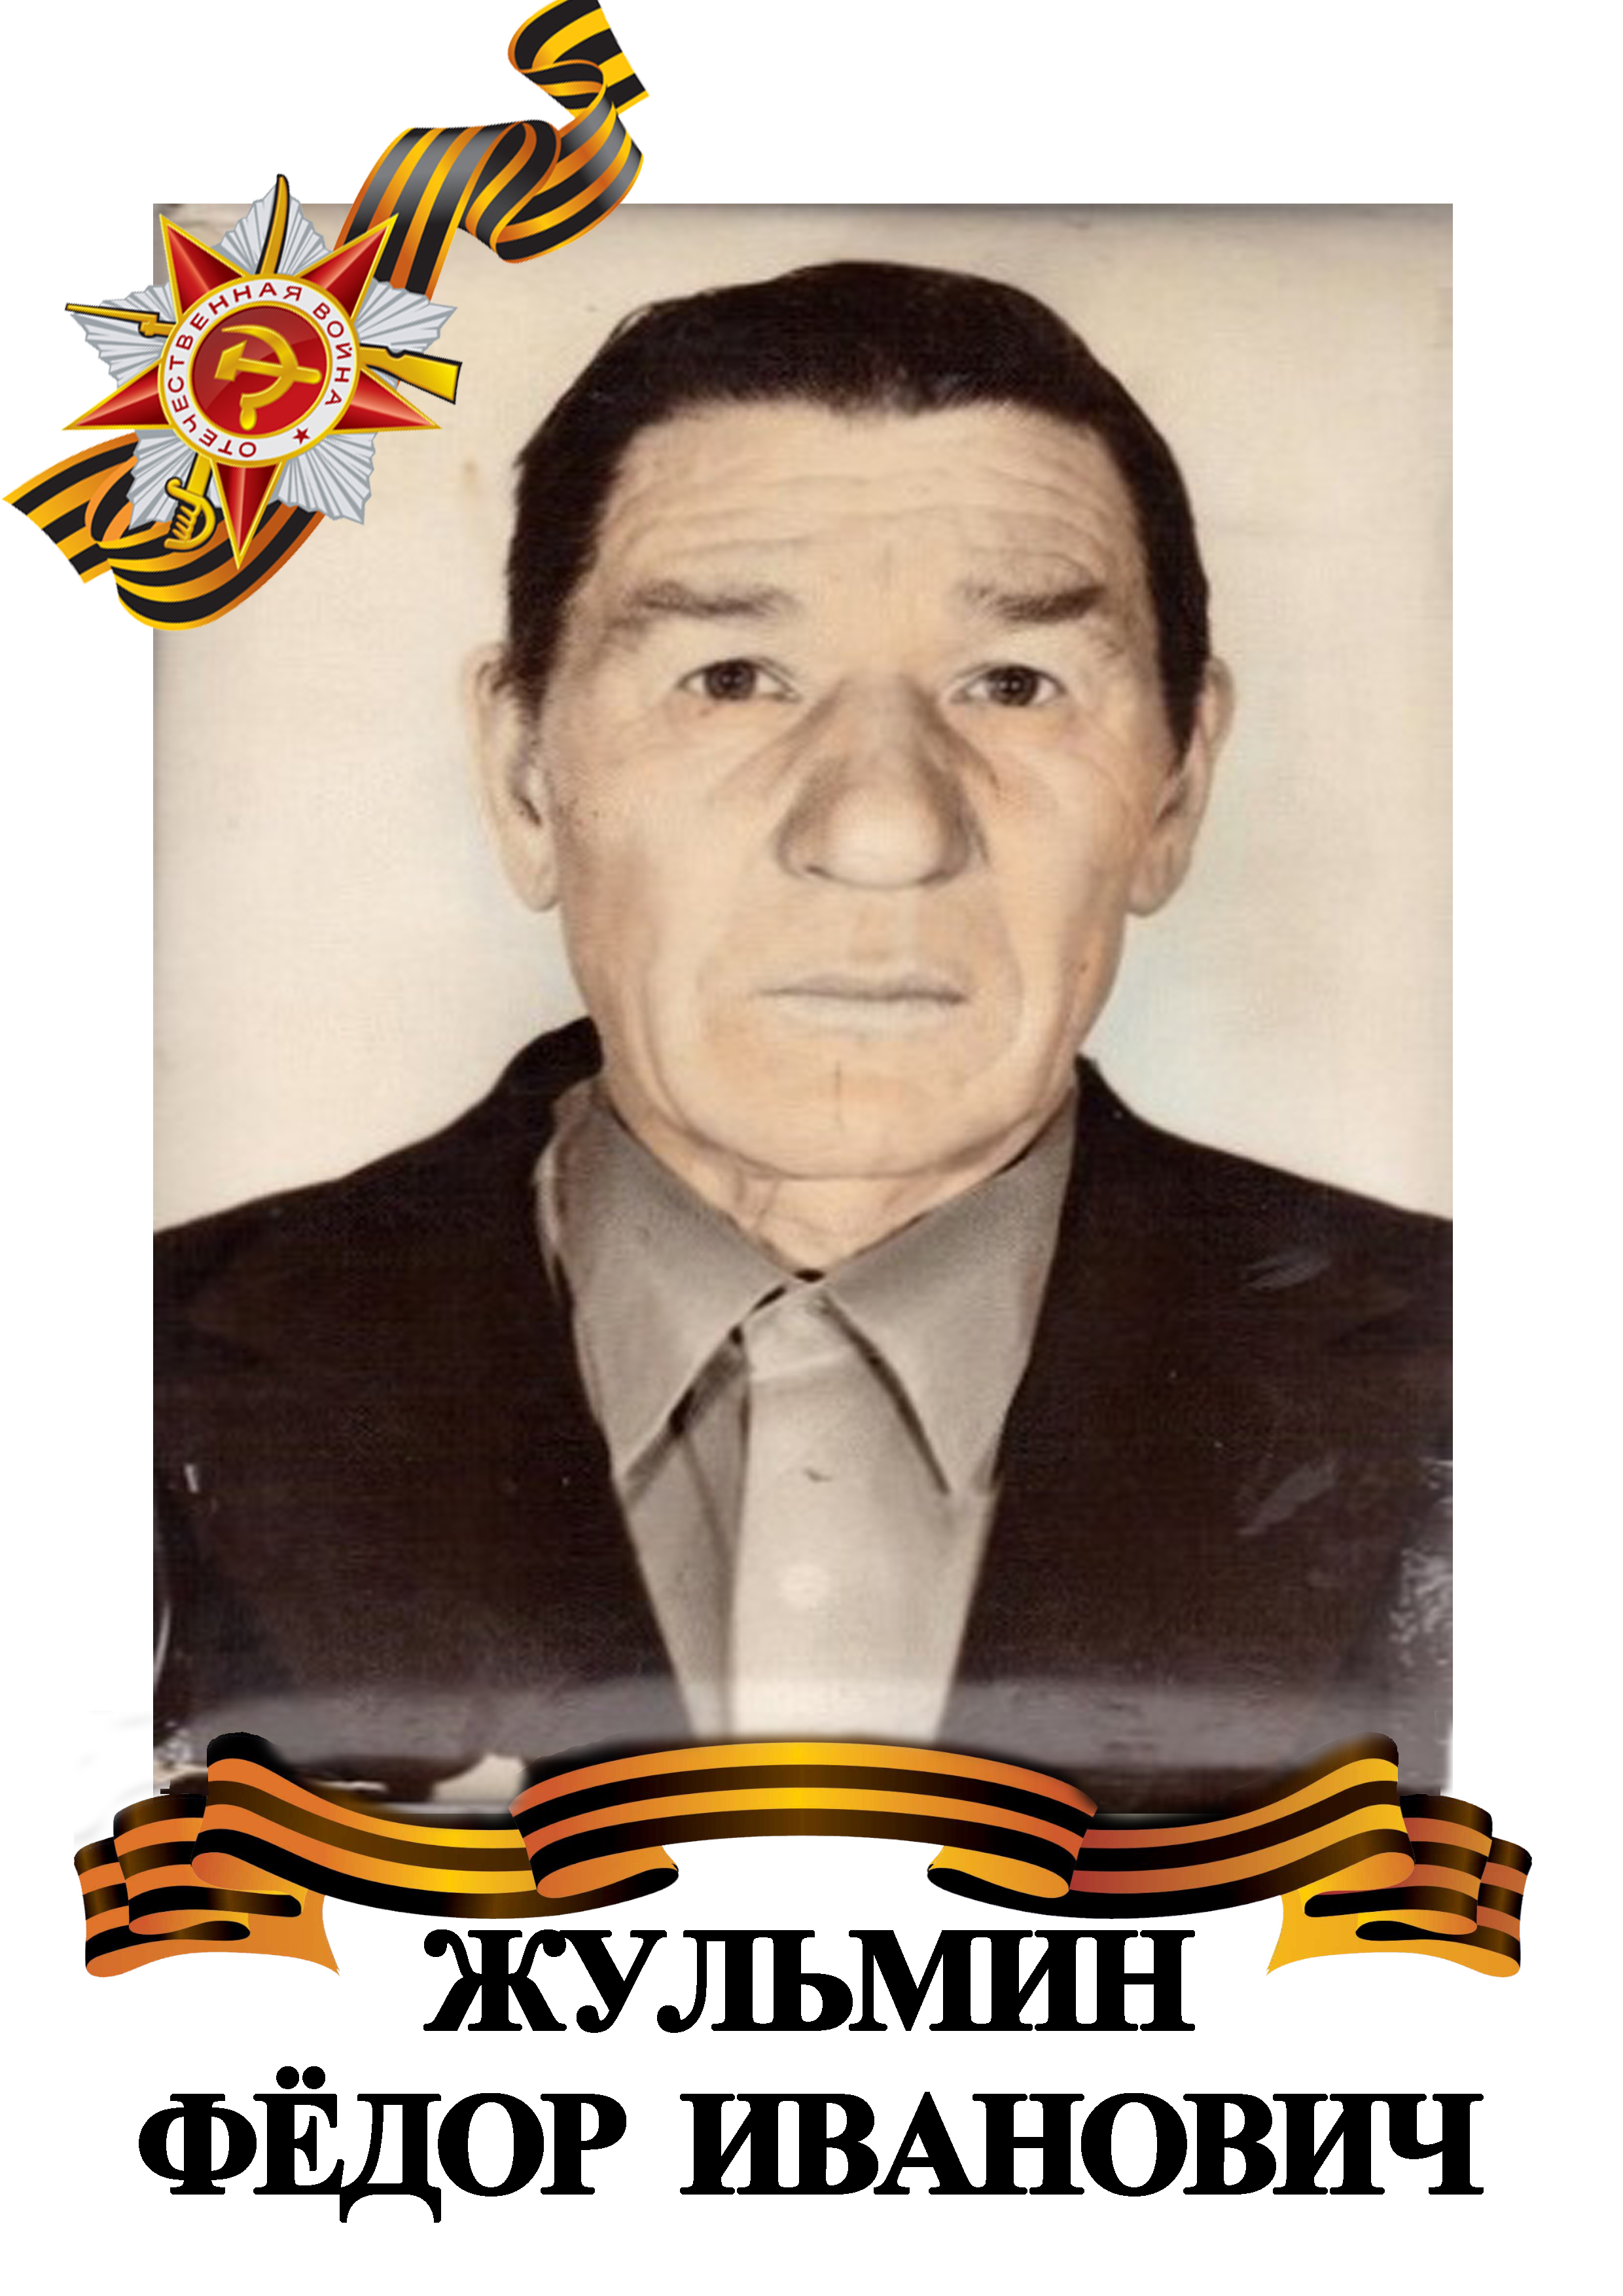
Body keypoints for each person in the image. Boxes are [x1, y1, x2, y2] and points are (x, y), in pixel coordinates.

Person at [154, 260, 1450, 1813]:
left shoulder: (1502, 1379)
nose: (884, 828)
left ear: (1175, 789)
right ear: (523, 777)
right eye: (731, 678)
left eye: (1013, 682)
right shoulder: (112, 1376)